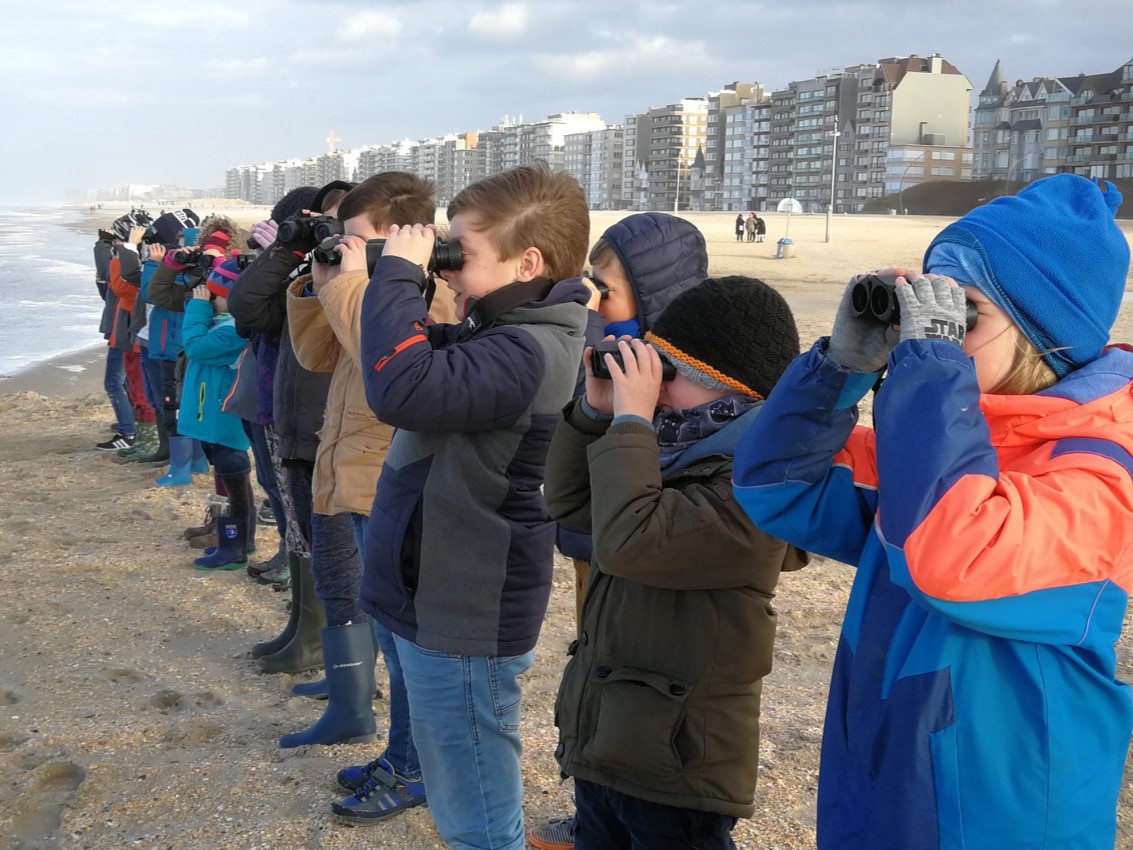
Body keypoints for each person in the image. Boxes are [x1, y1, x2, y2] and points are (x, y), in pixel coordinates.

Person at [732, 174, 1133, 850]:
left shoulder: (1098, 474)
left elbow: (953, 558)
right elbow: (778, 484)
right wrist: (841, 367)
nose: (930, 329)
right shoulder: (938, 444)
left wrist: (932, 372)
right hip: (885, 775)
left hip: (997, 814)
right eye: (926, 302)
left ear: (1043, 332)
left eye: (962, 312)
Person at [354, 165, 590, 850]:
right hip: (439, 595)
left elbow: (397, 388)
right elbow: (405, 362)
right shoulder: (505, 334)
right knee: (466, 802)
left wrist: (401, 275)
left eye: (462, 253)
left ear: (528, 263)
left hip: (465, 612)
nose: (449, 267)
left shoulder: (527, 349)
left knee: (478, 819)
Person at [544, 276, 806, 850]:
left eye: (669, 372)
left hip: (678, 764)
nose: (655, 386)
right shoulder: (667, 448)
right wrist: (595, 412)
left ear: (730, 390)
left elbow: (631, 541)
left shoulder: (755, 485)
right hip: (611, 735)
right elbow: (569, 503)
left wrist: (631, 422)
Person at [286, 173, 455, 766]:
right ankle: (397, 752)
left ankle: (408, 760)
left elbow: (382, 357)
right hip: (353, 470)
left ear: (401, 237)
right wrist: (320, 286)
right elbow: (317, 355)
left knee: (401, 637)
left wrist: (356, 284)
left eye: (359, 240)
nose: (348, 249)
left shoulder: (432, 294)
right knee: (384, 625)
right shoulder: (365, 290)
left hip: (388, 476)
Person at [179, 259, 254, 571]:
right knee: (230, 481)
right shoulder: (225, 324)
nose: (210, 300)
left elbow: (194, 347)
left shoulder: (233, 330)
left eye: (215, 295)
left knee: (236, 485)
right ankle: (234, 541)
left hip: (224, 420)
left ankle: (235, 547)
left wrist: (197, 309)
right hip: (217, 419)